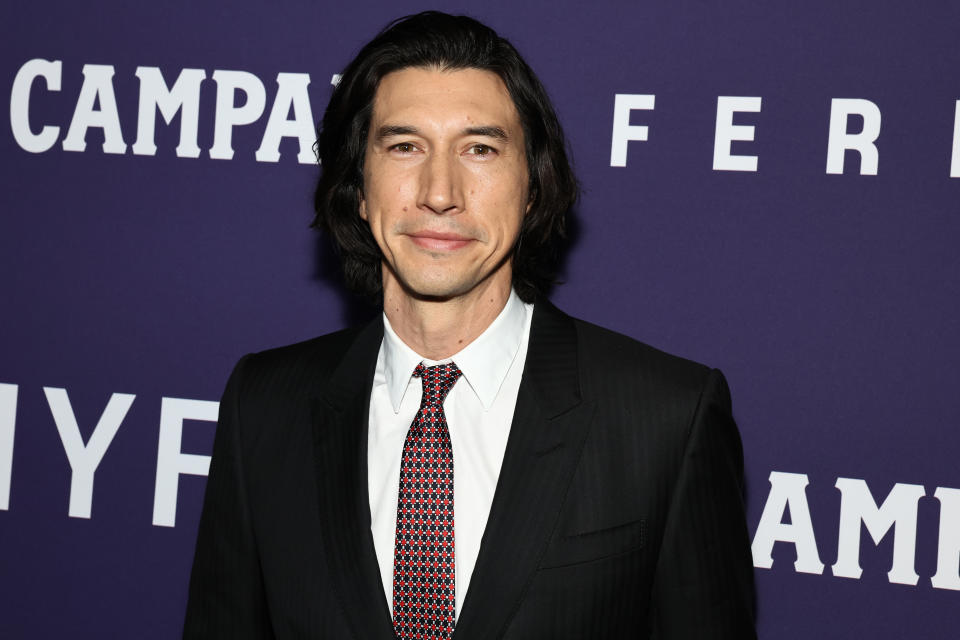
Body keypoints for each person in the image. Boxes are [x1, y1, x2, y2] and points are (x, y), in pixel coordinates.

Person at [183, 11, 756, 640]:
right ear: (358, 188)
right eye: (405, 147)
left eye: (480, 149)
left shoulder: (666, 418)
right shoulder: (264, 405)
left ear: (532, 186)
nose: (439, 192)